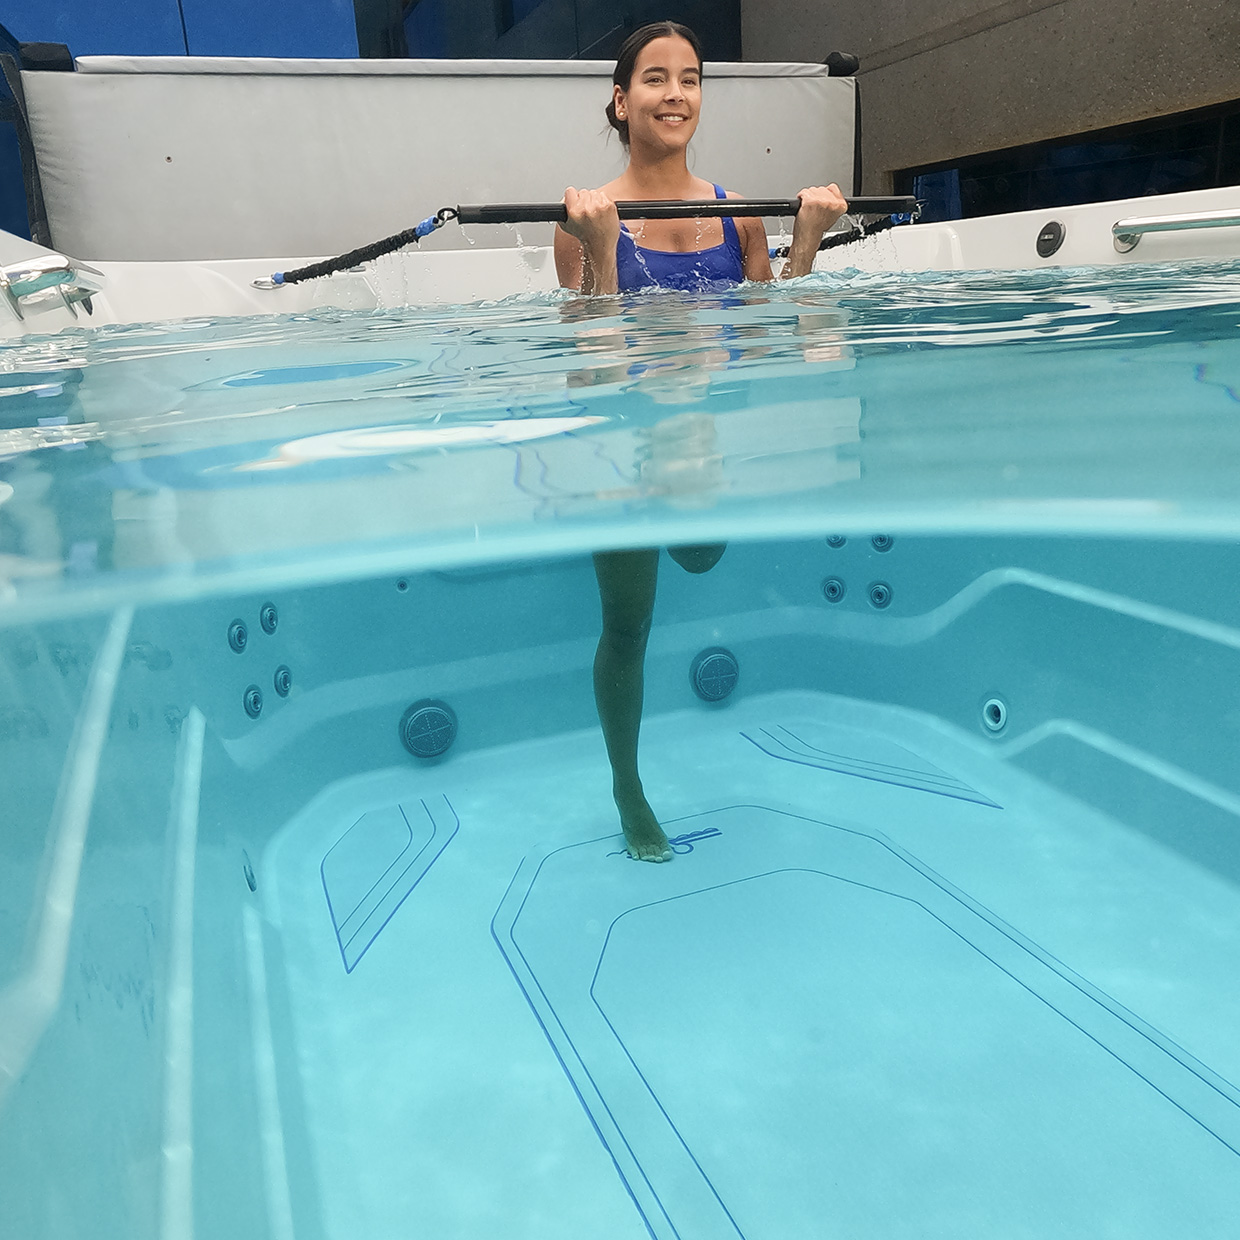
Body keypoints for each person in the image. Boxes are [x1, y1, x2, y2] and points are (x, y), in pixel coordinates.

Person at [555, 21, 848, 862]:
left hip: (700, 433)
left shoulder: (739, 219)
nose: (675, 93)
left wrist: (811, 243)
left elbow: (777, 332)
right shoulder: (581, 219)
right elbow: (592, 370)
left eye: (689, 79)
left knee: (704, 554)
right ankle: (628, 788)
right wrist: (604, 252)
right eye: (654, 78)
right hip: (620, 442)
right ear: (620, 100)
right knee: (629, 625)